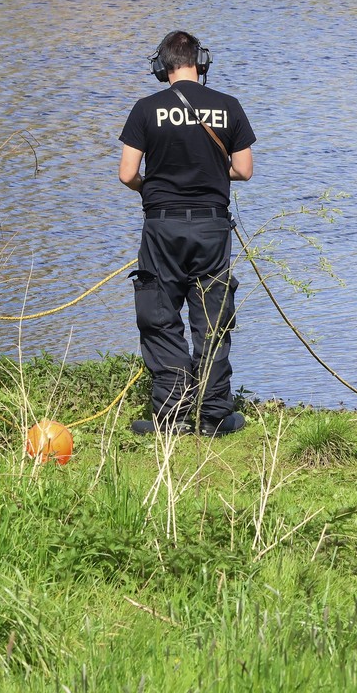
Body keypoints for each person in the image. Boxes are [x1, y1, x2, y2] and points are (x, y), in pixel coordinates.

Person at [118, 31, 255, 437]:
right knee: (212, 318)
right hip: (213, 226)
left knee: (160, 315)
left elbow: (127, 174)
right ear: (201, 63)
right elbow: (244, 170)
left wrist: (155, 187)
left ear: (162, 67)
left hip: (162, 225)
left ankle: (173, 414)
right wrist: (211, 175)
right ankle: (213, 416)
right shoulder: (229, 107)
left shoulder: (146, 109)